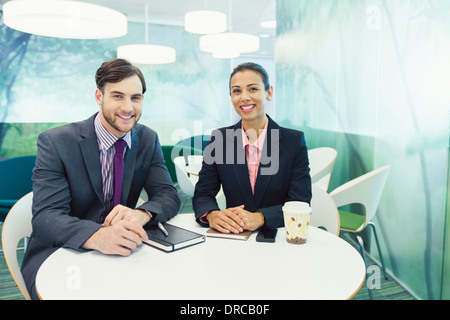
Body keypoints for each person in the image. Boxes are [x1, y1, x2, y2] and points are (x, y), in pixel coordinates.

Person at [21, 58, 180, 299]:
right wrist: (97, 236)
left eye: (135, 98)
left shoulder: (147, 138)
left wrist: (142, 213)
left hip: (122, 252)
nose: (128, 107)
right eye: (118, 96)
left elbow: (168, 195)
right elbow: (46, 218)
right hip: (62, 252)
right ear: (99, 96)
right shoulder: (56, 142)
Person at [193, 62, 311, 234]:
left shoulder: (293, 141)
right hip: (234, 237)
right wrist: (212, 215)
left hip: (278, 238)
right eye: (237, 91)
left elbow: (301, 201)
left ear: (268, 92)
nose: (244, 97)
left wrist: (261, 217)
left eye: (253, 89)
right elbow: (203, 194)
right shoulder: (219, 140)